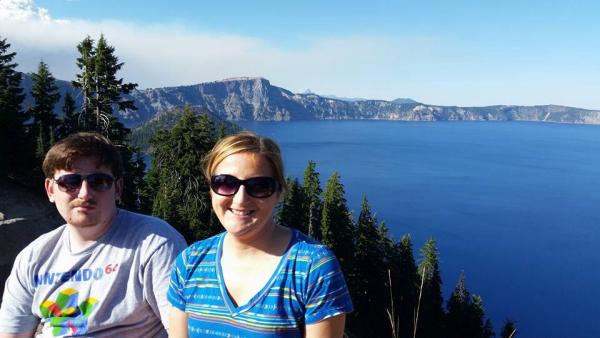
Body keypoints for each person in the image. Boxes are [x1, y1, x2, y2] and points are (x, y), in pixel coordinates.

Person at [0, 132, 187, 337]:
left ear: (117, 188)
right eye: (70, 182)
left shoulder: (155, 243)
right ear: (50, 190)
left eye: (98, 181)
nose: (84, 193)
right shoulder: (32, 258)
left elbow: (181, 332)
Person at [168, 131, 353, 337]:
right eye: (225, 183)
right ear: (211, 189)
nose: (240, 200)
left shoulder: (312, 267)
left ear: (278, 193)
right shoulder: (190, 263)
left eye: (259, 186)